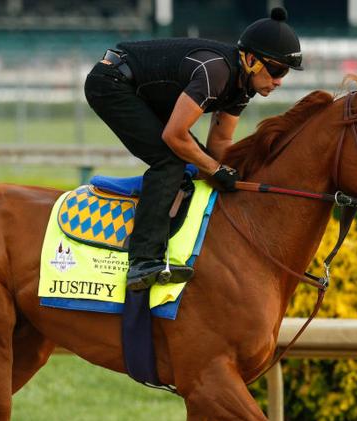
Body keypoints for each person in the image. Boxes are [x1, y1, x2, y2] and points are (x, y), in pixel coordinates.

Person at [84, 7, 303, 290]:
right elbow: (175, 136)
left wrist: (237, 177)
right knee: (171, 160)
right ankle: (143, 261)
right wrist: (215, 169)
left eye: (285, 72)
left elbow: (220, 144)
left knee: (193, 164)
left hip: (140, 87)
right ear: (250, 60)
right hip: (111, 82)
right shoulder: (217, 71)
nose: (279, 80)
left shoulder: (241, 87)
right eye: (276, 69)